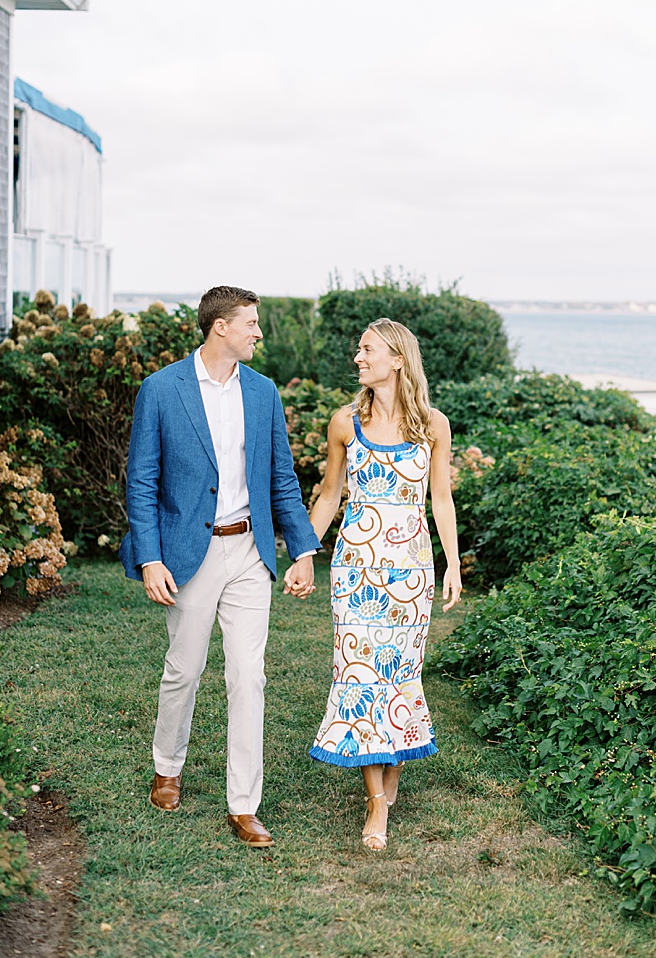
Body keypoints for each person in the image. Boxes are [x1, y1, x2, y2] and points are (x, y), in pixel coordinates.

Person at [119, 285, 319, 848]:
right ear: (219, 328)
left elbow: (281, 477)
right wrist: (151, 556)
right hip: (188, 553)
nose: (259, 333)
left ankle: (243, 804)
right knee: (184, 668)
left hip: (249, 552)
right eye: (251, 323)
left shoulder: (264, 393)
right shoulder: (161, 390)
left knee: (248, 676)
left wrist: (301, 549)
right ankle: (167, 767)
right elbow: (142, 481)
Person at [308, 317, 462, 850]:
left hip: (412, 571)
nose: (358, 357)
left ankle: (389, 782)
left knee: (399, 680)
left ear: (397, 358)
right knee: (359, 678)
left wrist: (453, 565)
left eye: (367, 349)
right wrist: (305, 554)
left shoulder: (433, 425)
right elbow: (330, 496)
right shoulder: (345, 423)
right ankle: (376, 802)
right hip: (356, 572)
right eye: (358, 350)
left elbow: (440, 499)